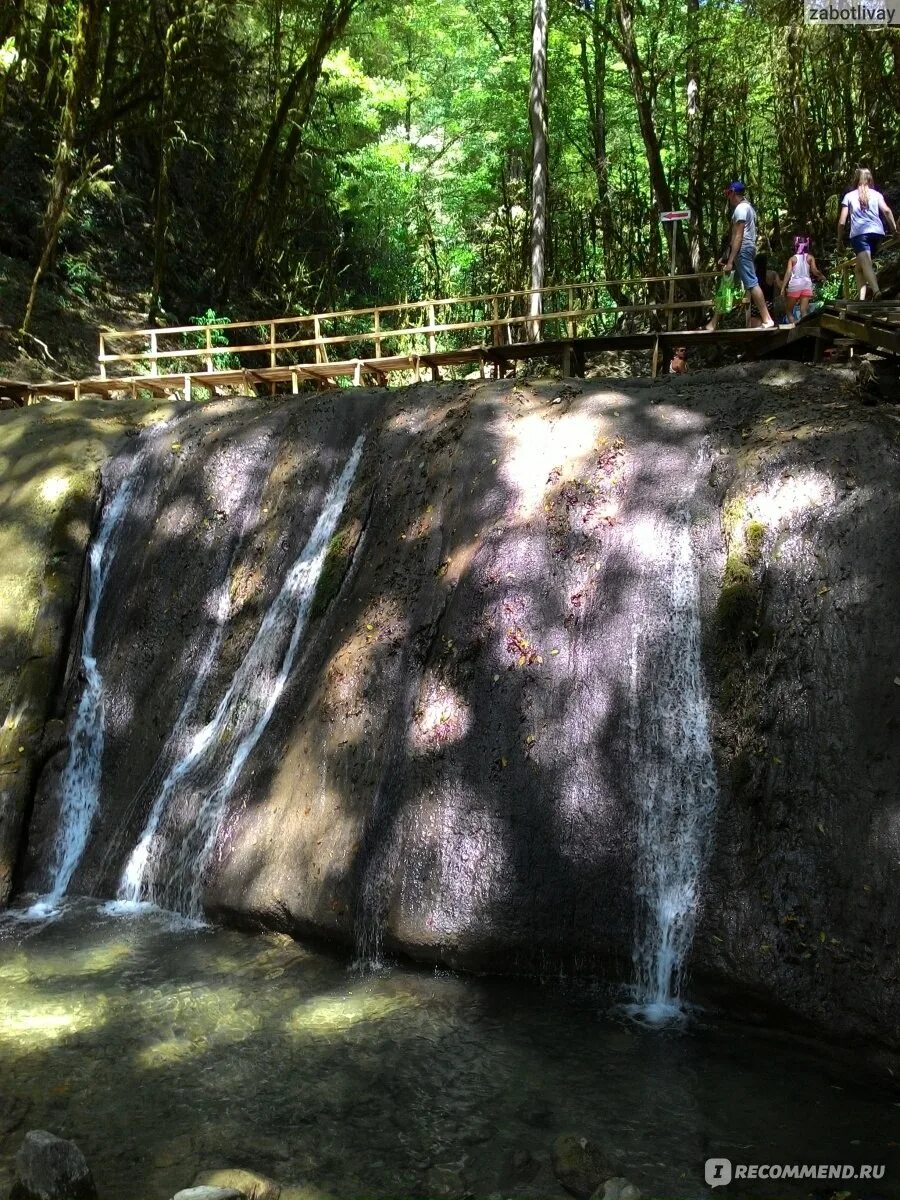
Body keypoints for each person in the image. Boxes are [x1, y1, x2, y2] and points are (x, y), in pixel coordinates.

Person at [706, 182, 775, 331]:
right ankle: (713, 323)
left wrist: (730, 261)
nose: (727, 197)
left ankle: (767, 319)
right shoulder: (748, 207)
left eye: (727, 194)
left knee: (751, 283)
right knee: (726, 284)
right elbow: (734, 237)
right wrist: (726, 257)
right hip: (741, 250)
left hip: (742, 250)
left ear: (732, 192)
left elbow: (738, 236)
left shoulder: (741, 209)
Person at [837, 168, 897, 300]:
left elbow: (842, 222)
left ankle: (876, 292)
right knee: (859, 268)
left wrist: (839, 241)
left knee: (866, 265)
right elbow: (887, 211)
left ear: (856, 179)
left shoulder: (849, 196)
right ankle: (862, 298)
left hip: (860, 235)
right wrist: (894, 231)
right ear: (870, 179)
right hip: (877, 234)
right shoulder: (876, 194)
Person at [781, 237, 825, 322]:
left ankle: (793, 328)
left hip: (795, 285)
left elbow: (788, 273)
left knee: (788, 311)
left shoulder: (792, 258)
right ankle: (804, 328)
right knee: (803, 311)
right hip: (806, 285)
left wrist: (783, 287)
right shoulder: (810, 257)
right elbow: (815, 271)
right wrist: (822, 276)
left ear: (796, 246)